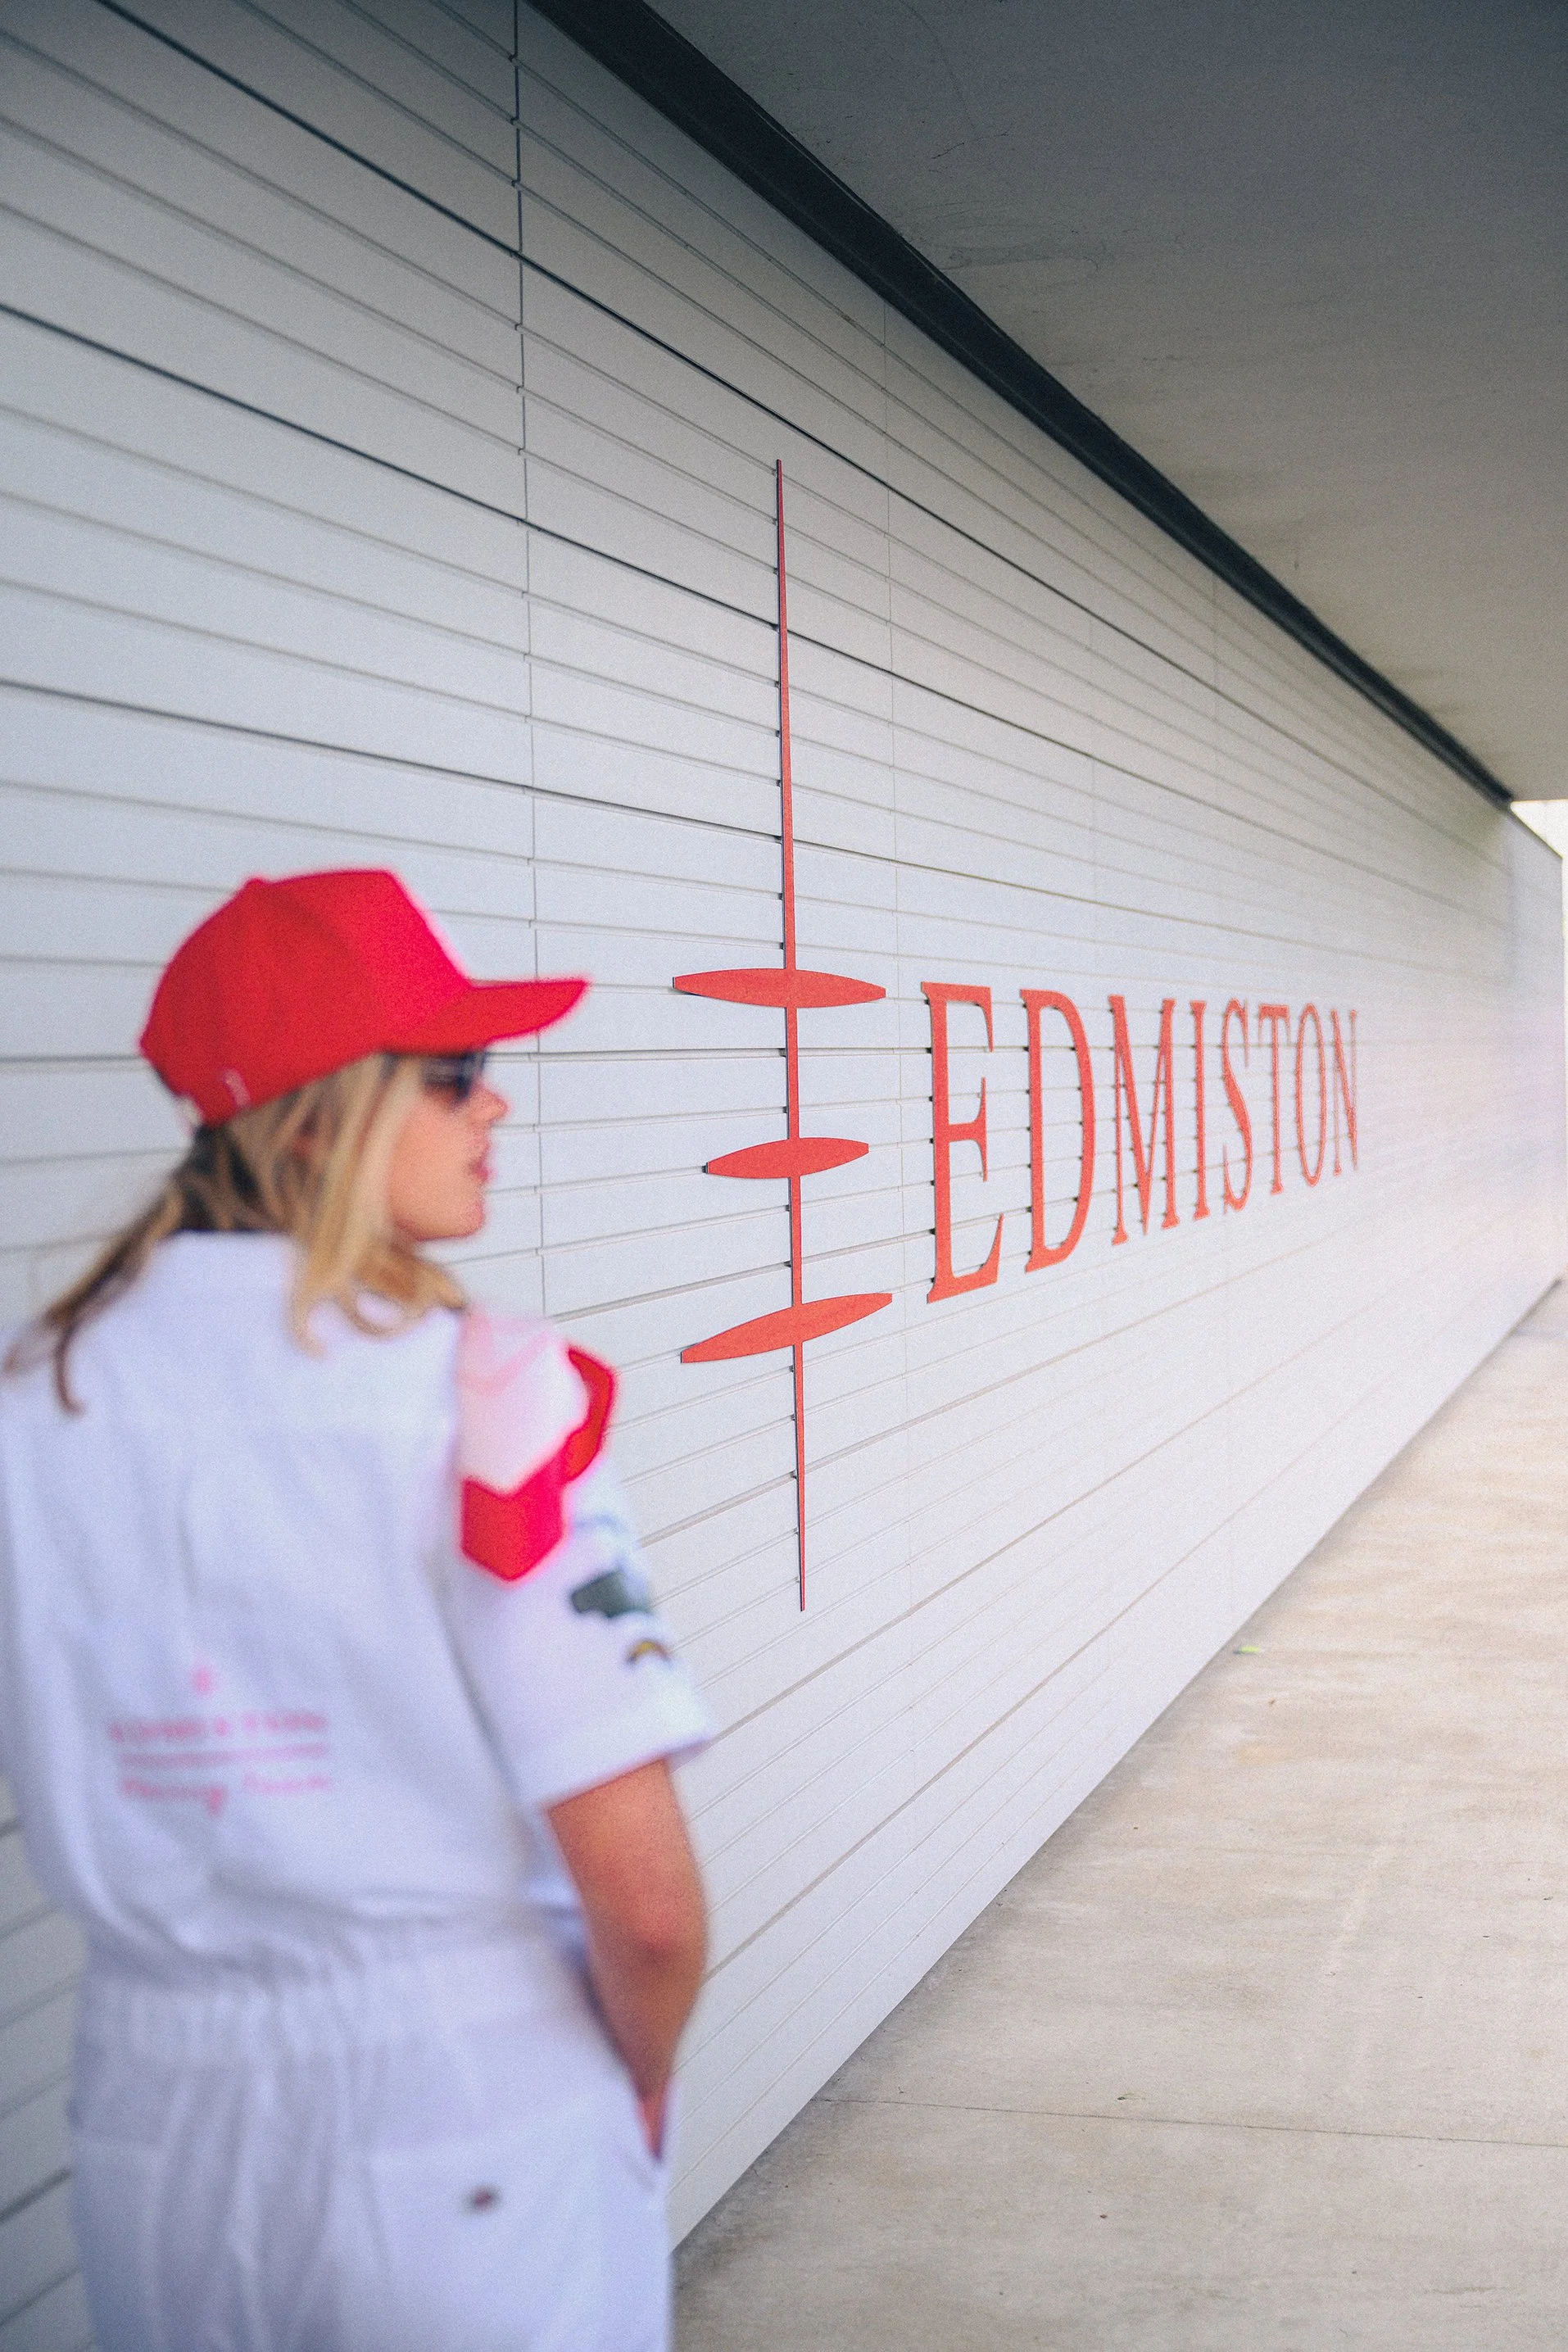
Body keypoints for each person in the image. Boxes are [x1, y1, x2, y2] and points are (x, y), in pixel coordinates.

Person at [0, 868, 712, 2351]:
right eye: (454, 1071)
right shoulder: (482, 1391)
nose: (493, 1104)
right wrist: (640, 2077)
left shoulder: (33, 1394)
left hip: (149, 2127)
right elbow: (644, 1908)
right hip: (464, 2110)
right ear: (320, 1117)